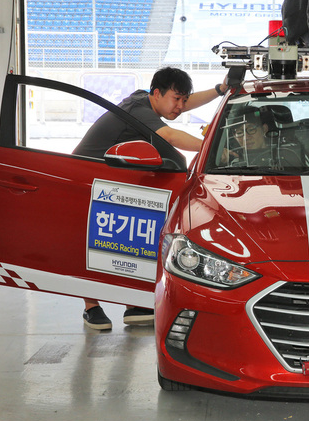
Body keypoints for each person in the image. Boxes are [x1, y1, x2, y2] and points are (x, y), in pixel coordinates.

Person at [73, 66, 227, 330]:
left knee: (122, 241)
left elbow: (185, 103)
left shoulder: (148, 101)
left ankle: (132, 302)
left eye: (183, 100)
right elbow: (169, 135)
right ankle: (91, 306)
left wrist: (219, 91)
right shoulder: (138, 109)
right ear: (157, 93)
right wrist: (214, 147)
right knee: (91, 244)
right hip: (83, 179)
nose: (180, 106)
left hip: (112, 180)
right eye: (175, 99)